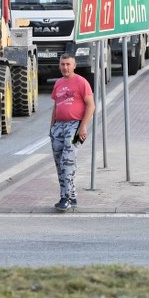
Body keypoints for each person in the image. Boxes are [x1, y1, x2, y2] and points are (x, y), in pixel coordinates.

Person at [49, 54, 96, 212]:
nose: (65, 67)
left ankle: (65, 198)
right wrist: (52, 128)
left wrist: (83, 127)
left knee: (67, 161)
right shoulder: (58, 83)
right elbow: (56, 106)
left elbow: (91, 105)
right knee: (59, 163)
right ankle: (72, 195)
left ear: (74, 65)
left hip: (74, 126)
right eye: (62, 64)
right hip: (59, 127)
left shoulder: (81, 82)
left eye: (68, 64)